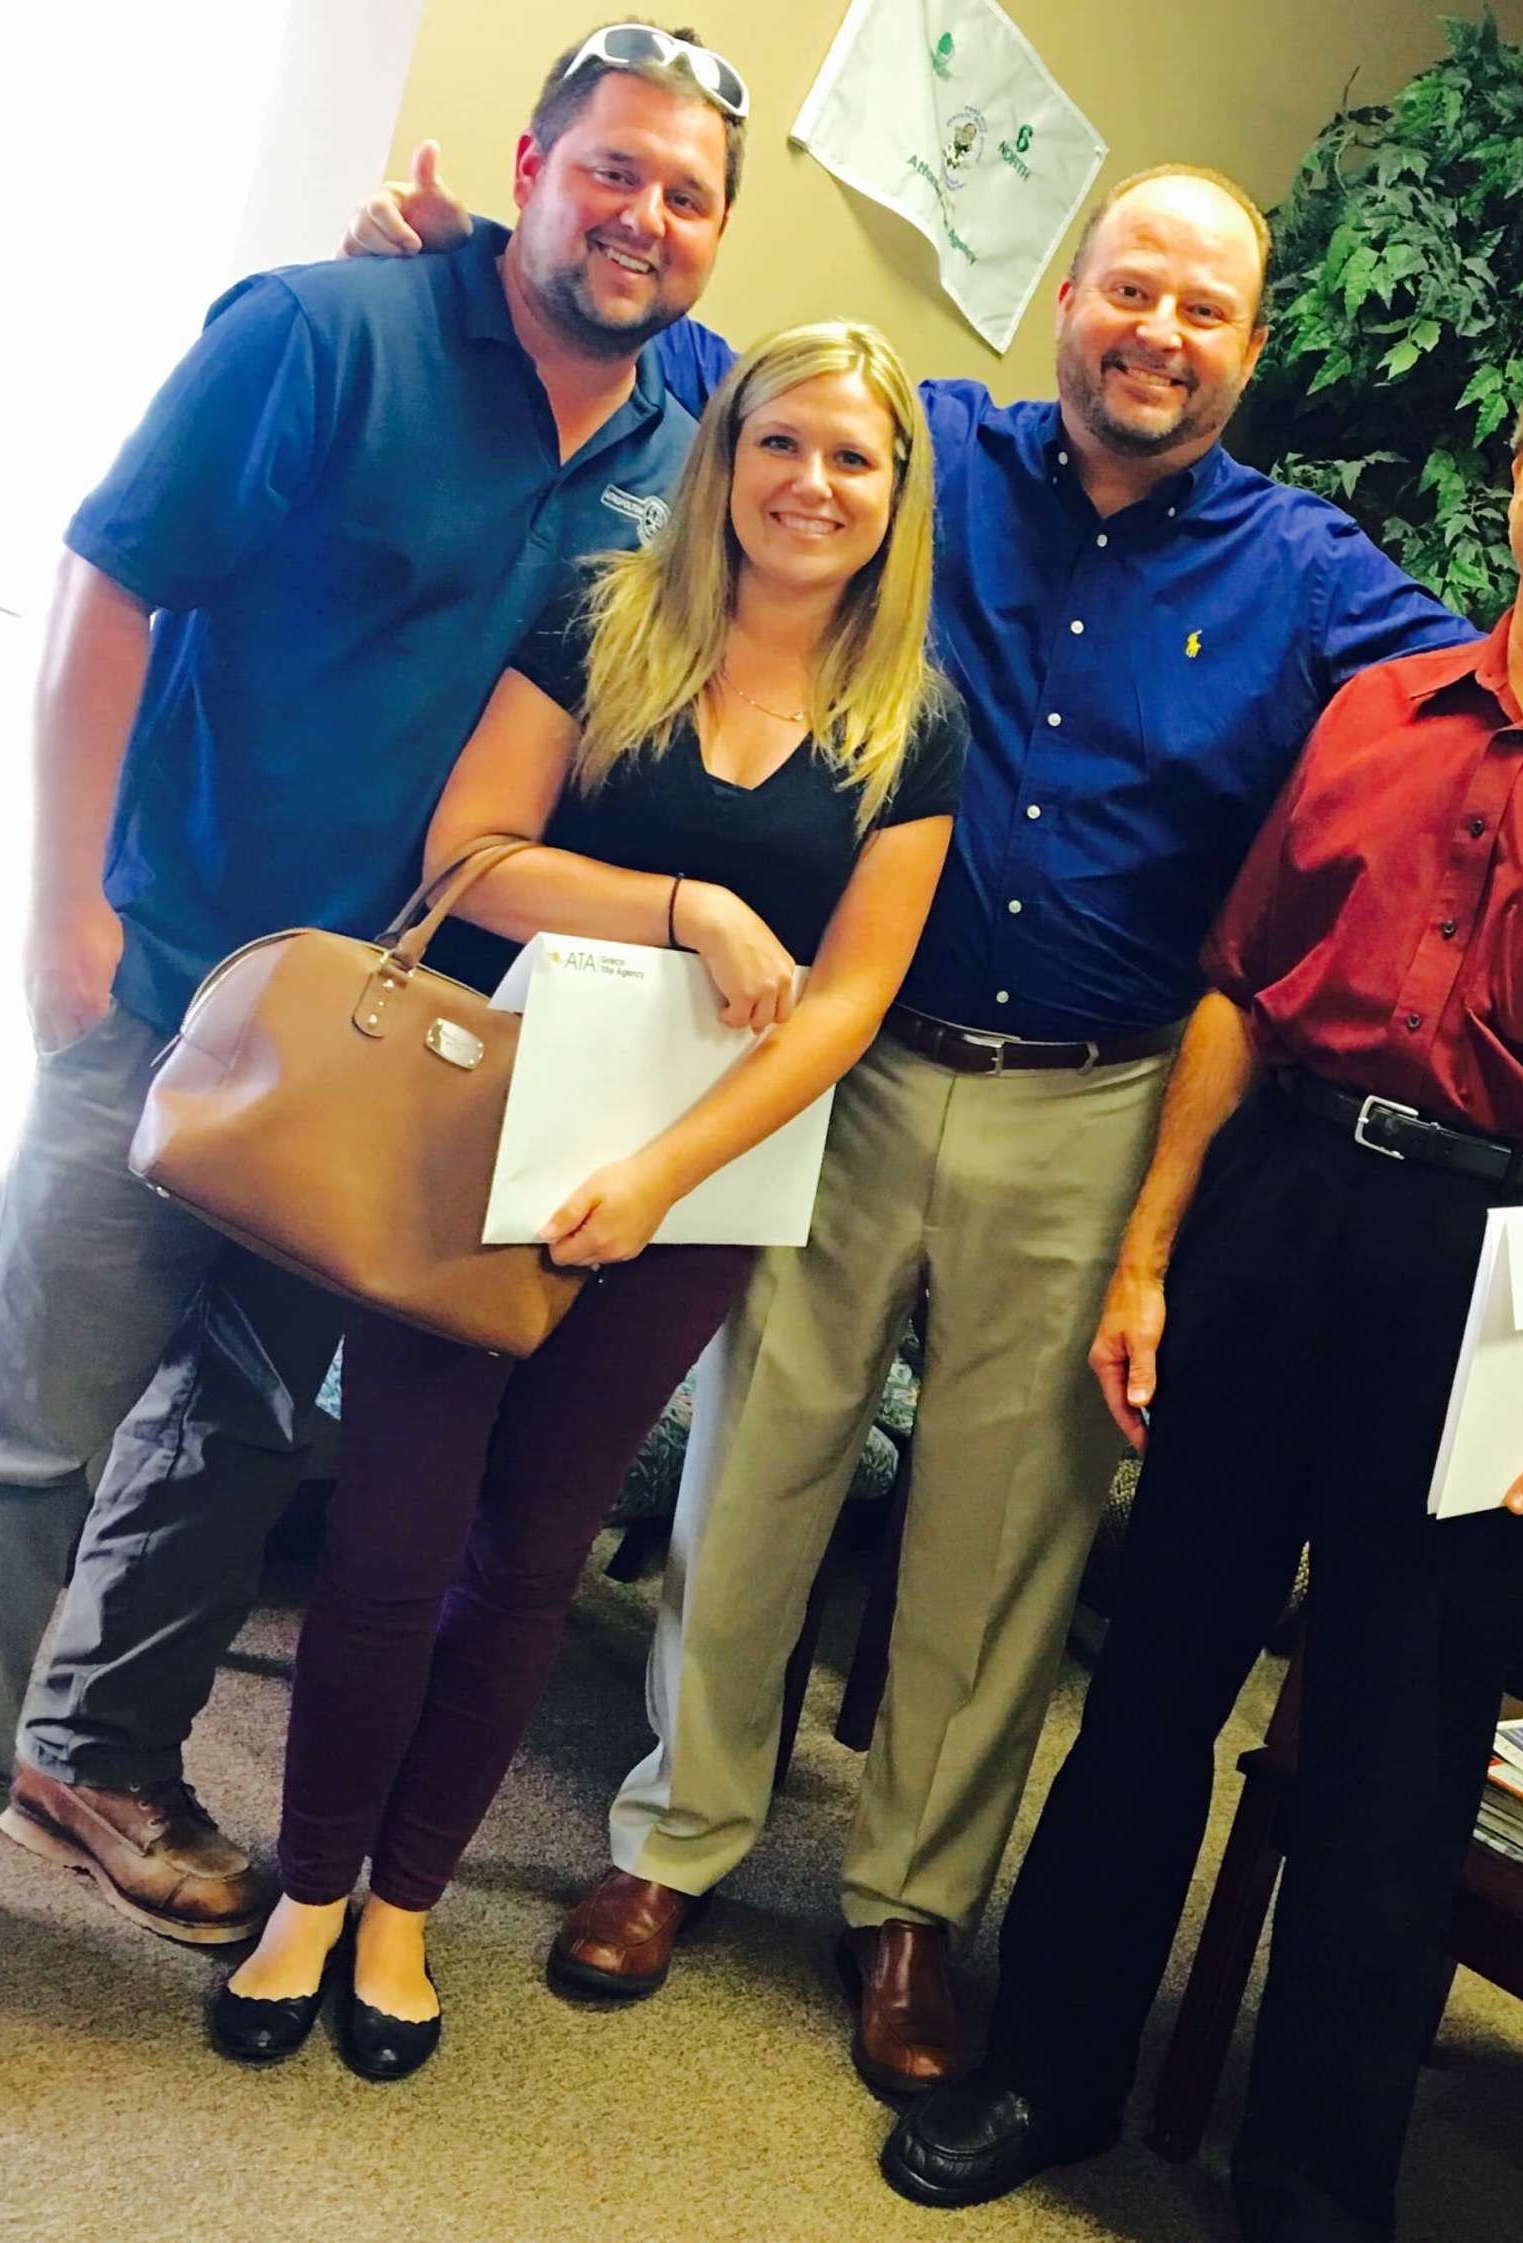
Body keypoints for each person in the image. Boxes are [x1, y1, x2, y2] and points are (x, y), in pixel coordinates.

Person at [343, 158, 1523, 2095]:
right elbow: (737, 375)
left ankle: (907, 1912)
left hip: (1096, 1103)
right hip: (849, 1061)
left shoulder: (1307, 573)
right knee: (756, 1460)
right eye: (1135, 292)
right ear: (1069, 298)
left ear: (1251, 350)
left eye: (1207, 312)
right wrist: (482, 261)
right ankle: (673, 1842)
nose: (1163, 335)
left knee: (1005, 1527)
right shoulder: (927, 451)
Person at [879, 313, 1523, 2242]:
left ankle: (1317, 2180)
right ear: (1518, 471)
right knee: (1148, 1680)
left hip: (1517, 1282)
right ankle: (1053, 2069)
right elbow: (1240, 992)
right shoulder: (1376, 709)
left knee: (1396, 1765)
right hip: (1285, 1217)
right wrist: (1149, 1250)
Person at [0, 22, 747, 1939]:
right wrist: (58, 901)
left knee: (236, 1430)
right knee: (31, 1425)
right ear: (529, 165)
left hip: (399, 1055)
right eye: (612, 170)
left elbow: (874, 478)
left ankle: (100, 1753)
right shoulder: (327, 330)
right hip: (176, 975)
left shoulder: (690, 456)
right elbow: (110, 580)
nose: (642, 215)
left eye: (687, 193)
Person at [208, 315, 966, 2078]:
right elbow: (465, 858)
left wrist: (656, 1182)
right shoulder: (607, 617)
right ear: (729, 455)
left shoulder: (911, 727)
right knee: (392, 1541)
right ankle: (307, 1893)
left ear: (897, 498)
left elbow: (848, 1006)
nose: (813, 483)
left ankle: (406, 1906)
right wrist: (682, 906)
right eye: (782, 442)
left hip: (688, 1205)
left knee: (533, 1560)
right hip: (485, 1154)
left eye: (857, 458)